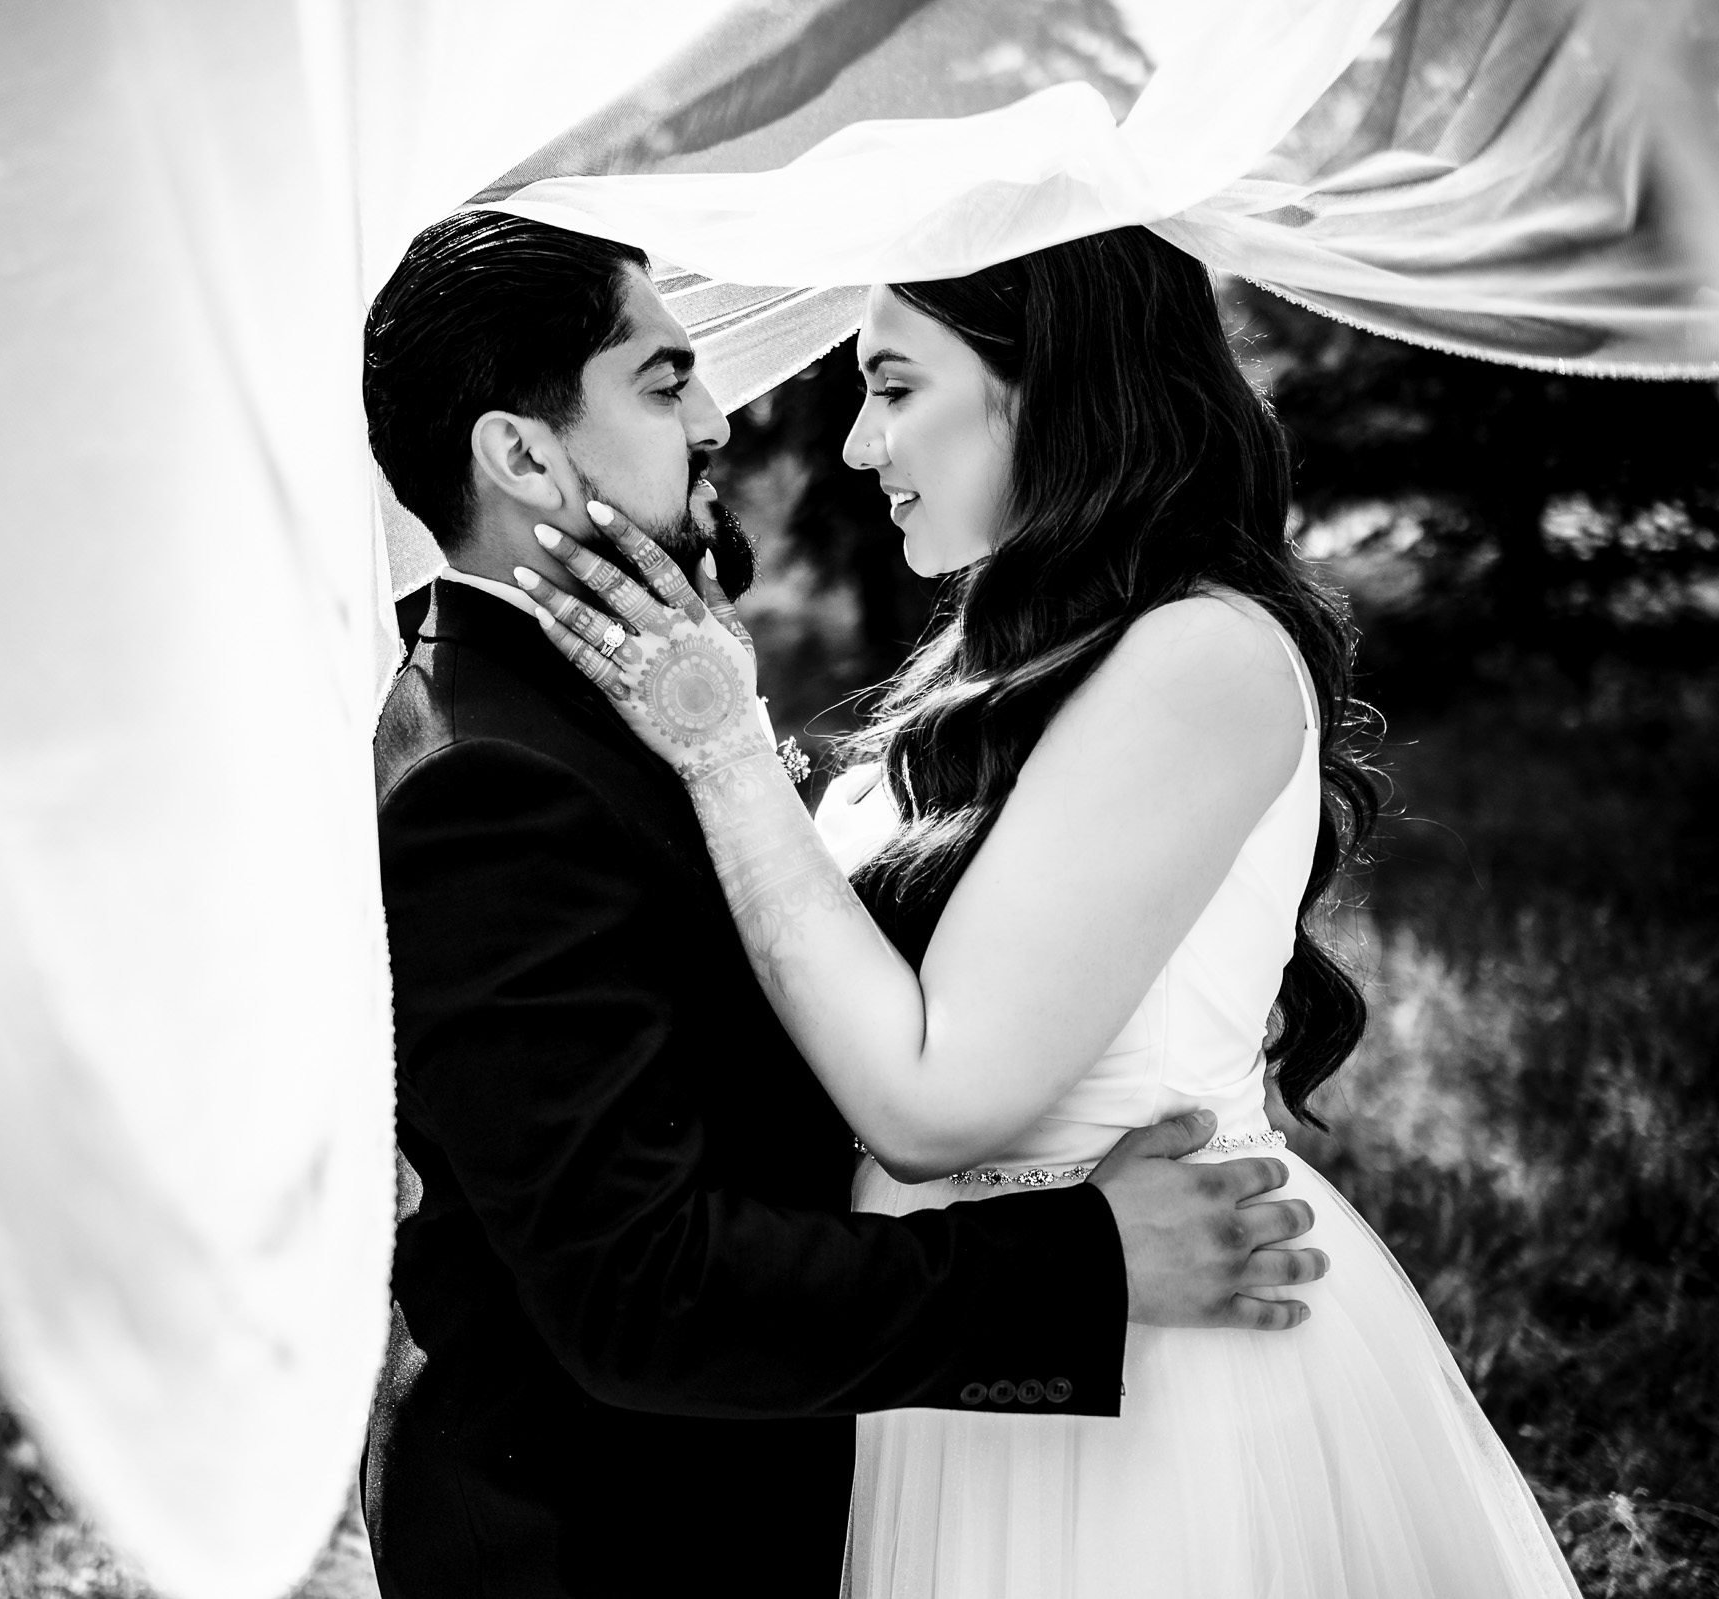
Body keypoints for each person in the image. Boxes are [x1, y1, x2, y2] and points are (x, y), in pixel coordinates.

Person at [525, 225, 1582, 1598]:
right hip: (990, 1345)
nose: (857, 445)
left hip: (1152, 1371)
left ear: (1053, 388)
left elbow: (929, 1101)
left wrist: (726, 753)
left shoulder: (1199, 654)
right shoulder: (1005, 655)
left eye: (896, 387)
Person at [358, 209, 1331, 1599]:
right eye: (664, 379)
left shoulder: (610, 693)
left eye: (888, 388)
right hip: (611, 1537)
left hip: (961, 1447)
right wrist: (1084, 1266)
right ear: (519, 452)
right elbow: (640, 1294)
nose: (722, 421)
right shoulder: (493, 778)